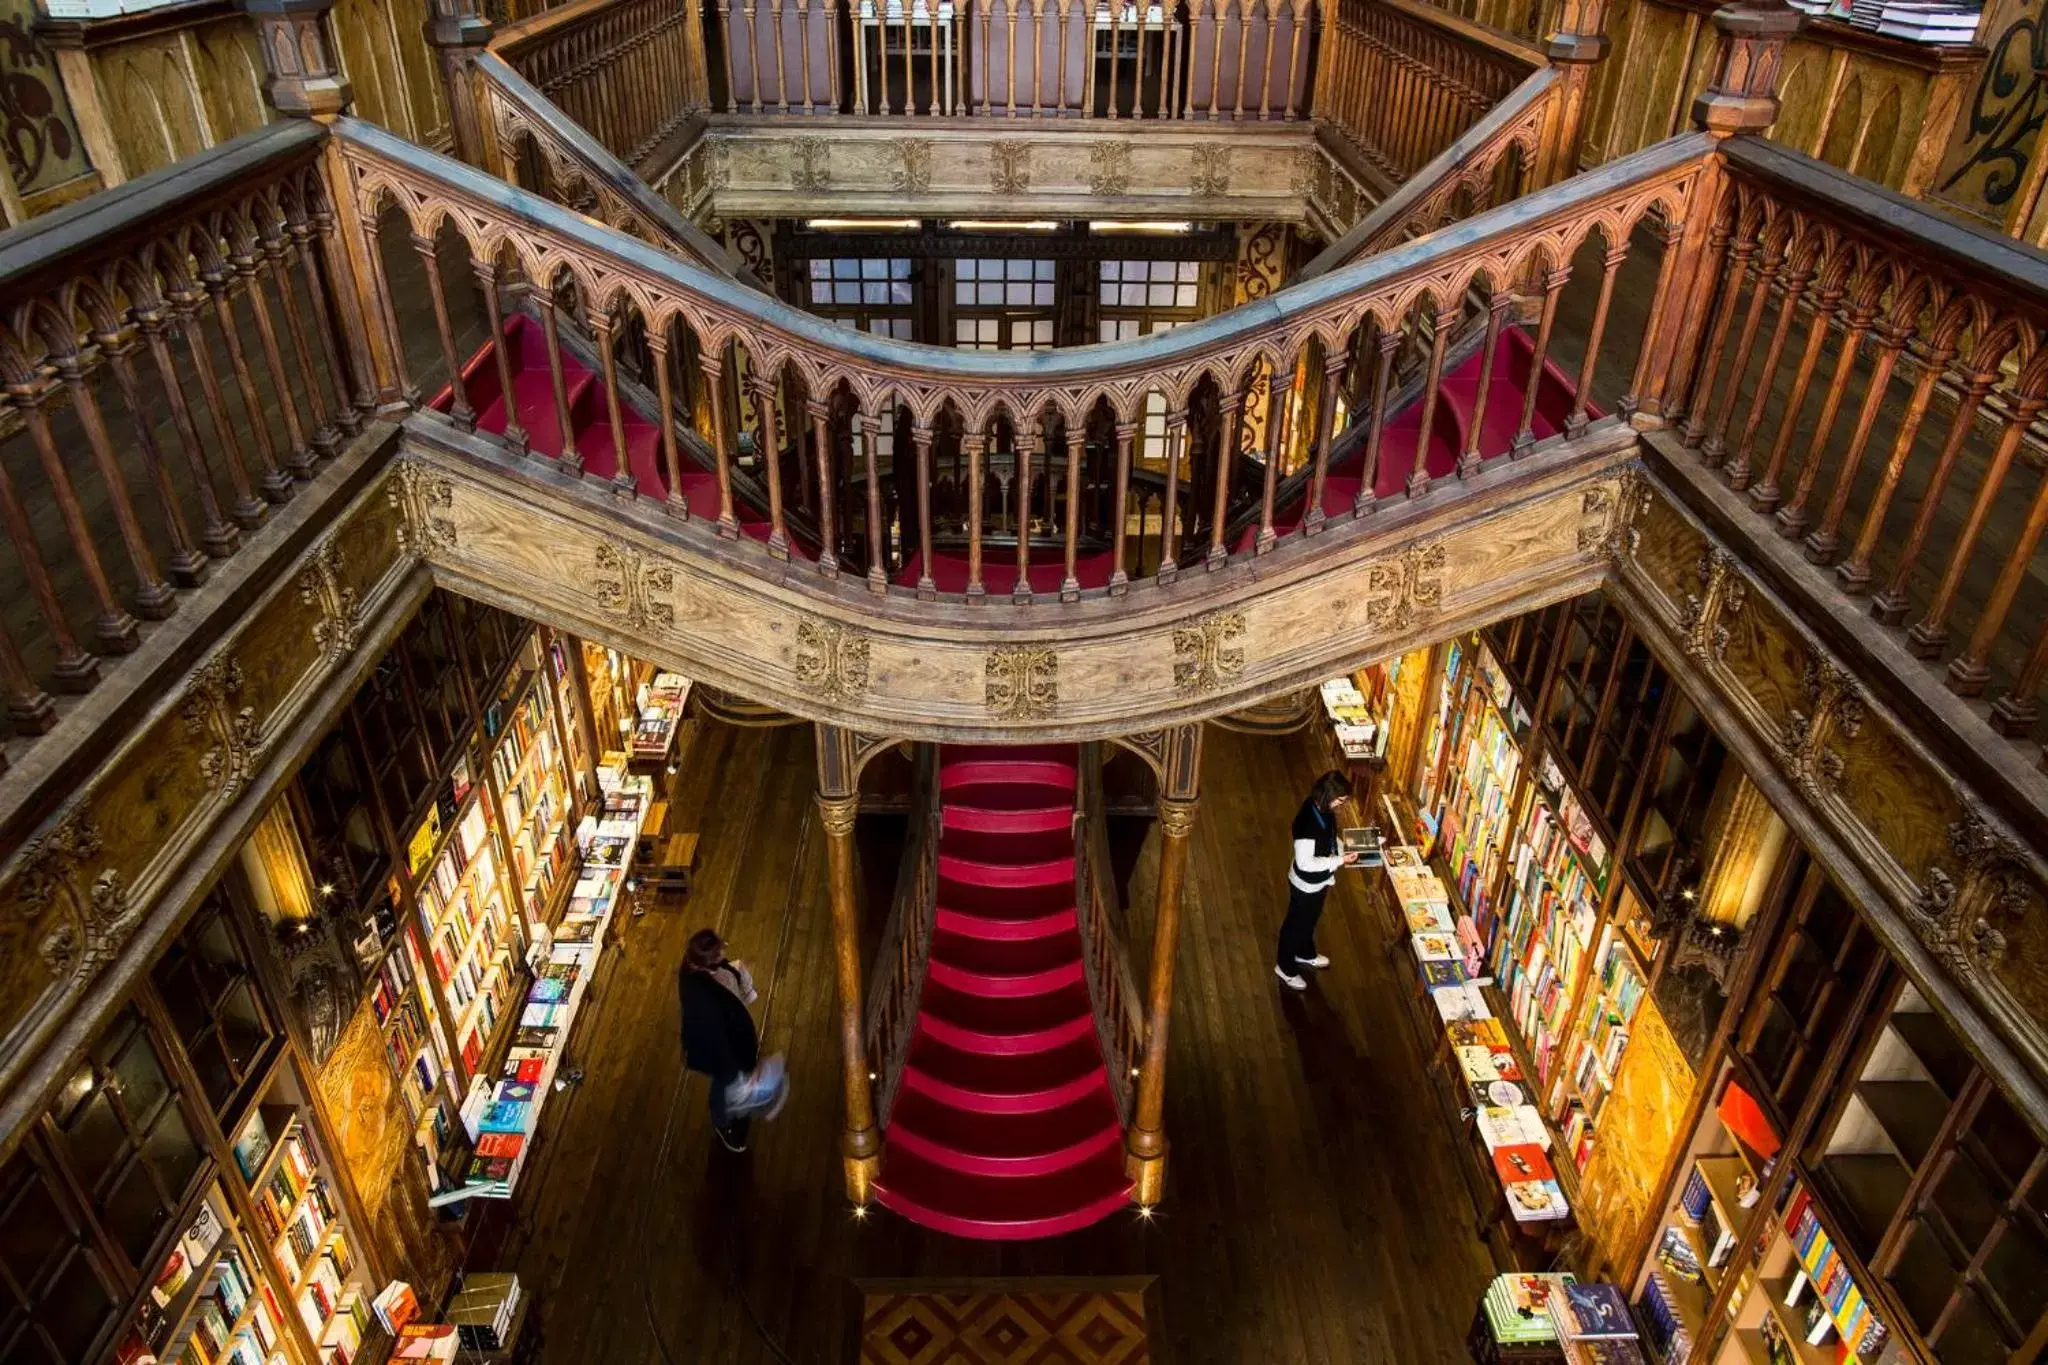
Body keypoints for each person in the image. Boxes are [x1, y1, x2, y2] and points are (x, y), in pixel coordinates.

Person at [678, 929, 784, 1152]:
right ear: (706, 963)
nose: (723, 953)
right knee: (724, 1084)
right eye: (718, 953)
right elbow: (719, 1041)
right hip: (723, 1053)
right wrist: (743, 1069)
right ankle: (722, 1123)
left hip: (730, 1044)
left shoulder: (694, 970)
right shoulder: (704, 1000)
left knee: (728, 1082)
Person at [1275, 770, 1357, 990]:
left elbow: (1329, 838)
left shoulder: (1323, 809)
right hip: (1306, 884)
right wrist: (1339, 861)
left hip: (1319, 882)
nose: (1342, 805)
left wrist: (1344, 848)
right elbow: (1305, 863)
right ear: (1329, 795)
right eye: (1341, 800)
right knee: (1295, 926)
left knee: (1309, 921)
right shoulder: (1308, 822)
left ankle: (1304, 952)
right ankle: (1285, 967)